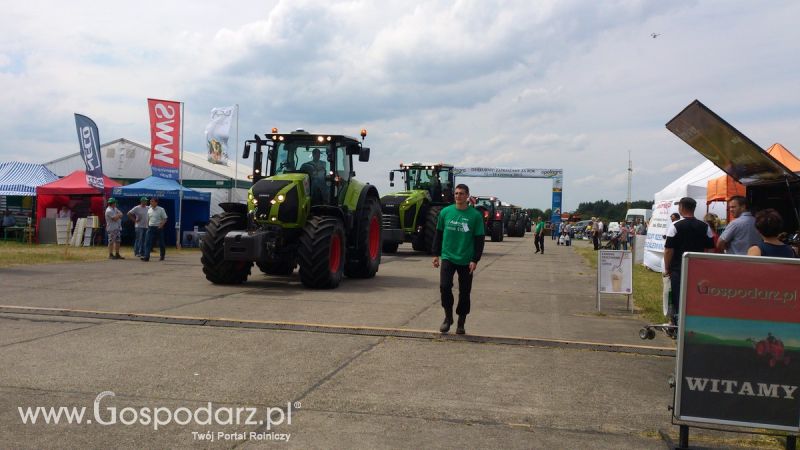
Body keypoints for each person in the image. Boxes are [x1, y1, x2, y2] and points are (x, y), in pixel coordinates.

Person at [432, 183, 485, 335]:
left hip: (466, 259)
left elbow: (479, 239)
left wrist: (475, 259)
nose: (458, 196)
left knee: (465, 292)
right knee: (444, 286)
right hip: (448, 256)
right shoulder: (445, 212)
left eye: (461, 193)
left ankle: (461, 322)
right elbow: (439, 234)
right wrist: (435, 254)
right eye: (456, 193)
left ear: (467, 196)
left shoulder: (475, 216)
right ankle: (448, 318)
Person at [663, 197, 714, 325]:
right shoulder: (705, 226)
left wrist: (667, 267)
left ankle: (676, 323)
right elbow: (710, 249)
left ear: (681, 208)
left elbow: (668, 250)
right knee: (695, 296)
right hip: (698, 269)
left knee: (677, 296)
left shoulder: (675, 226)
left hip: (678, 269)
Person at [142, 197, 168, 262]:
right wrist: (148, 225)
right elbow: (148, 218)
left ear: (156, 202)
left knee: (161, 243)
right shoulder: (149, 209)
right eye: (150, 201)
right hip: (150, 227)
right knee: (147, 242)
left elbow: (165, 219)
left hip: (158, 228)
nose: (151, 202)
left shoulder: (161, 209)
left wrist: (161, 226)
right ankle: (146, 257)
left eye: (152, 201)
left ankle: (162, 256)